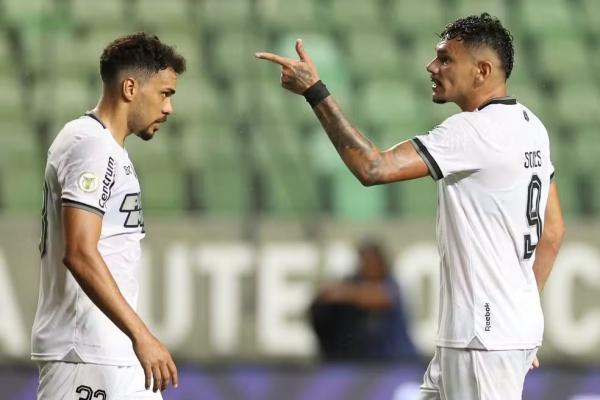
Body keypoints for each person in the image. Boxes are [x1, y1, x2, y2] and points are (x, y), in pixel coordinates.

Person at [256, 13, 565, 400]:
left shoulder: (472, 131)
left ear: (482, 70)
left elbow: (372, 167)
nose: (431, 66)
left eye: (446, 59)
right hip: (497, 331)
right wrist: (520, 316)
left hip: (480, 339)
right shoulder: (531, 126)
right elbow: (552, 232)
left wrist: (315, 91)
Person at [31, 32, 186, 399]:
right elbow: (80, 252)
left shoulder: (107, 148)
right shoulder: (91, 146)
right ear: (130, 87)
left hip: (113, 353)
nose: (169, 109)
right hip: (84, 353)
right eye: (165, 94)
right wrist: (141, 334)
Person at [309, 240, 417, 361]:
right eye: (363, 261)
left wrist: (343, 293)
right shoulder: (355, 282)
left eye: (371, 261)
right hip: (370, 363)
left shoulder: (390, 284)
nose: (366, 266)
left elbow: (381, 297)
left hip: (400, 361)